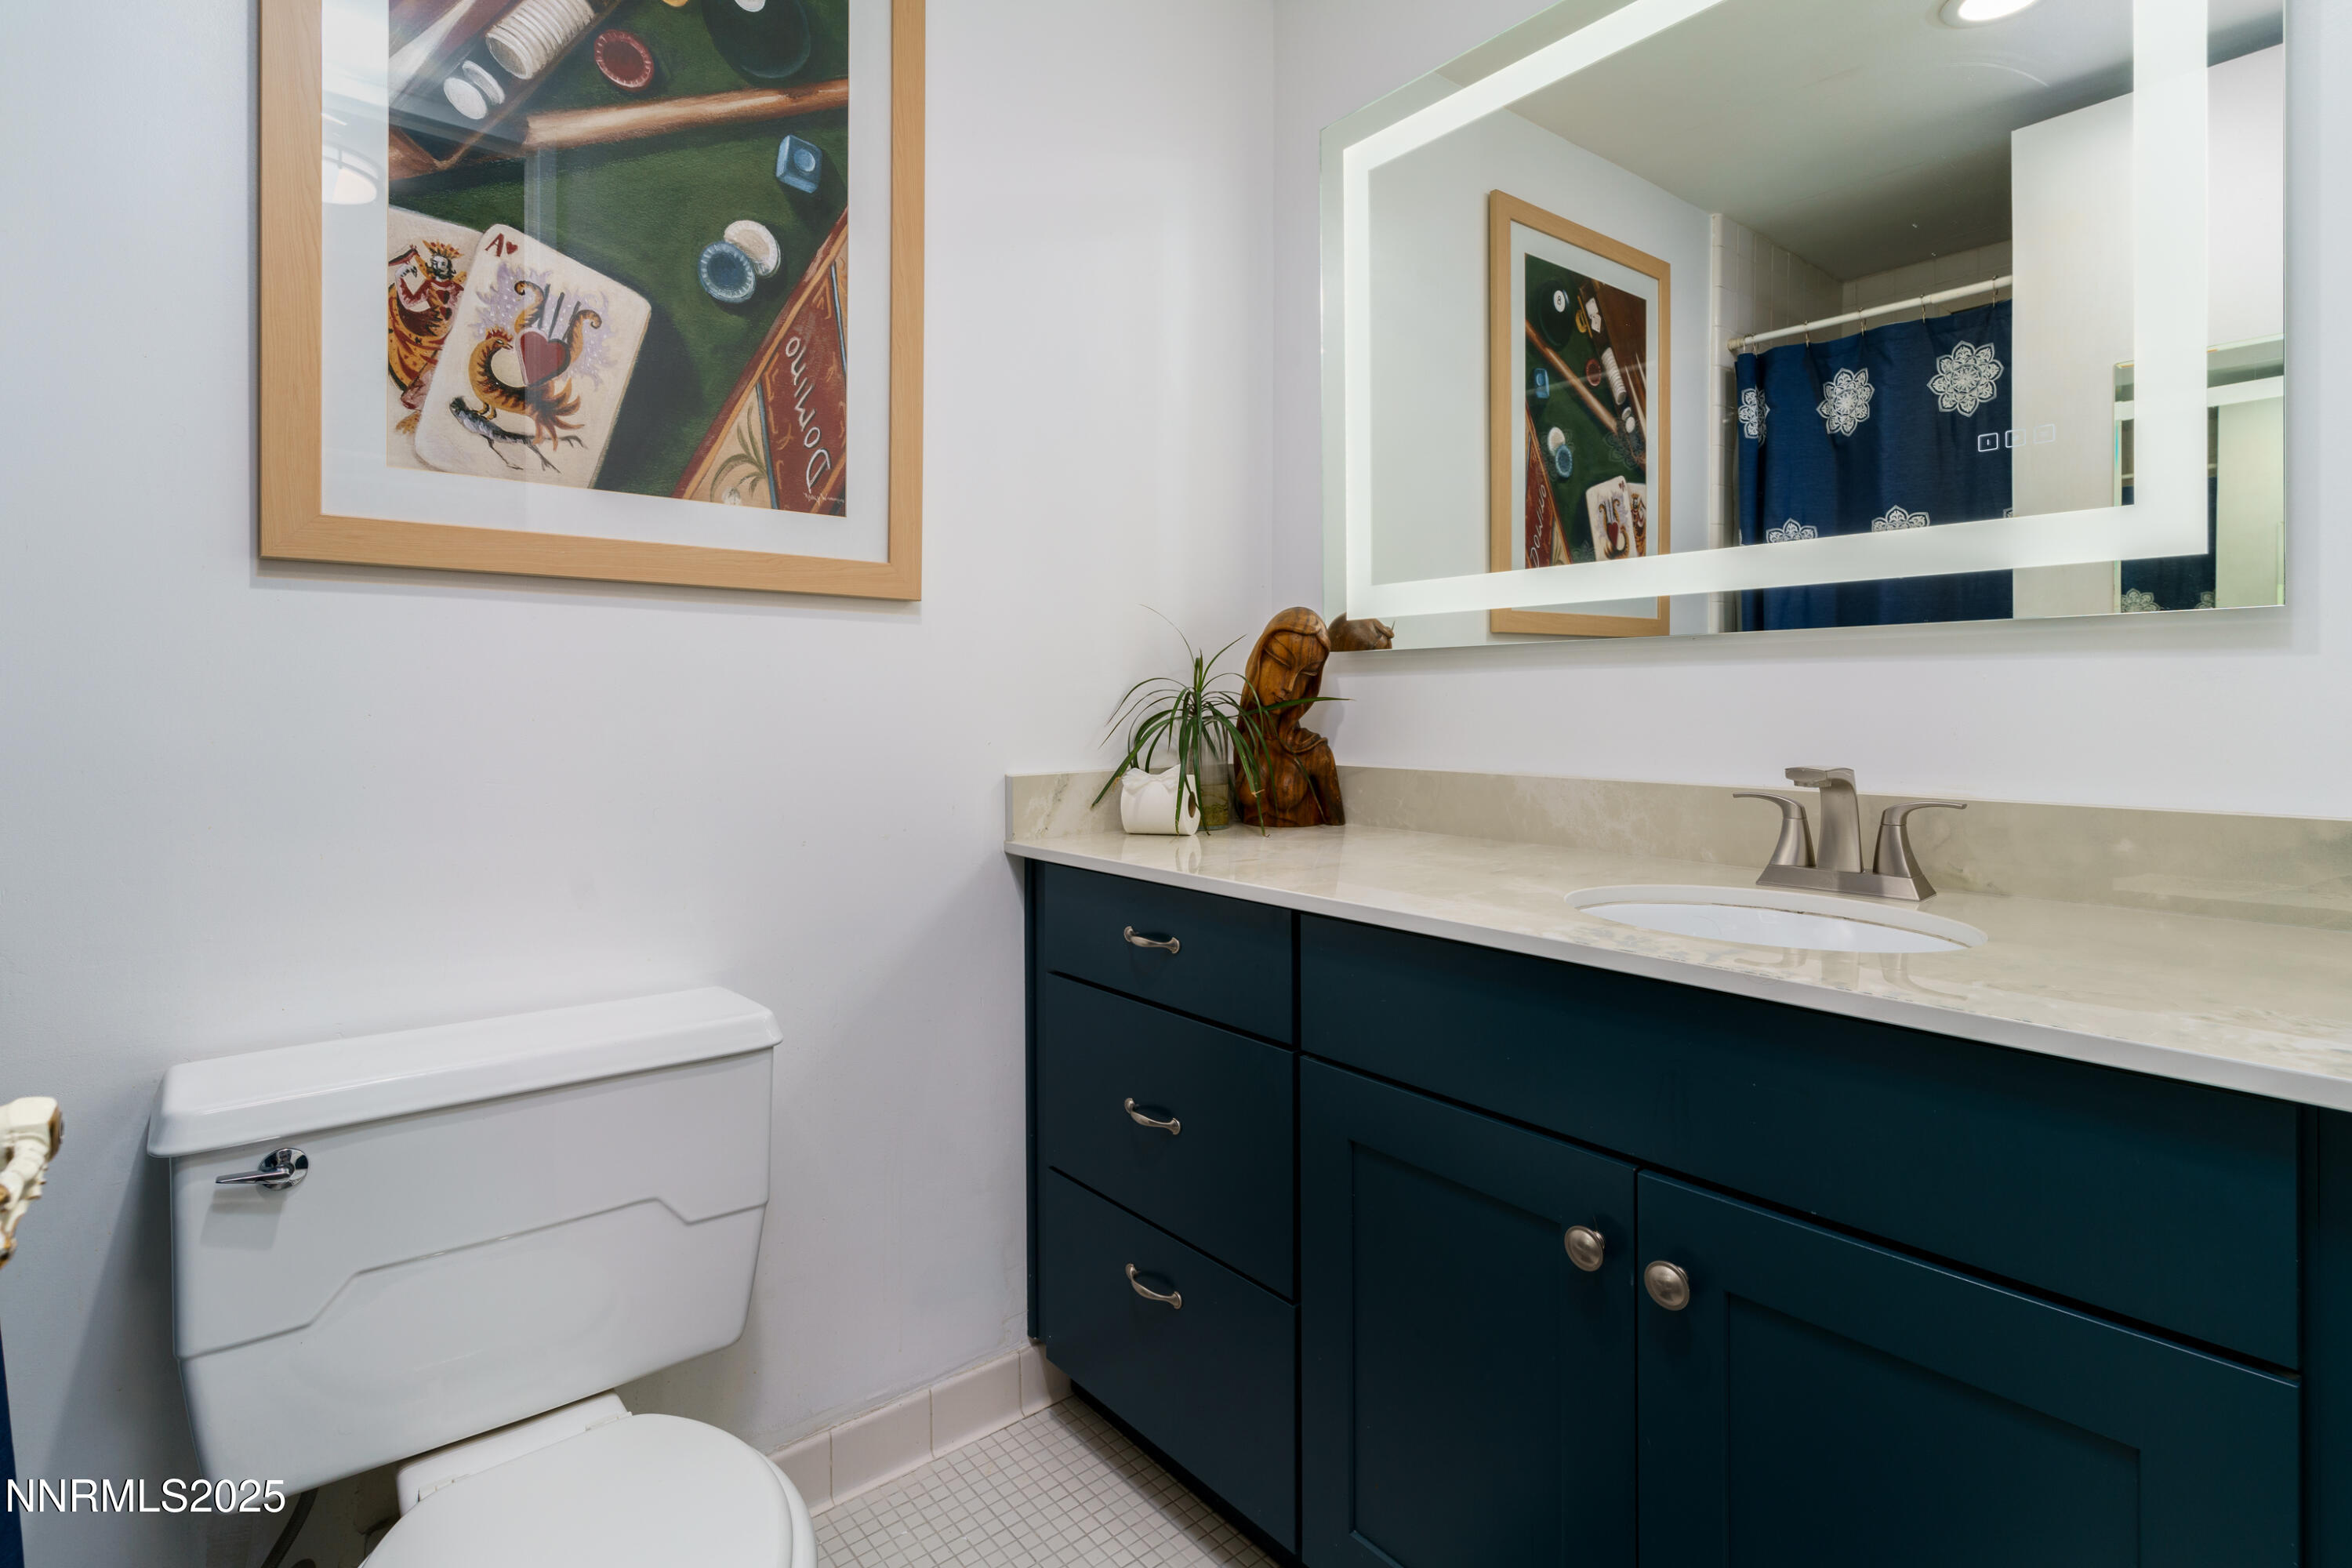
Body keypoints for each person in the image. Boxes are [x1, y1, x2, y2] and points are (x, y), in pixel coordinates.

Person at [1234, 608, 1345, 827]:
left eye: (1306, 674)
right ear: (1259, 657)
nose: (1289, 686)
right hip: (1249, 853)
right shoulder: (1245, 741)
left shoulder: (1315, 753)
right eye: (1283, 663)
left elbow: (1337, 833)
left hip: (1301, 855)